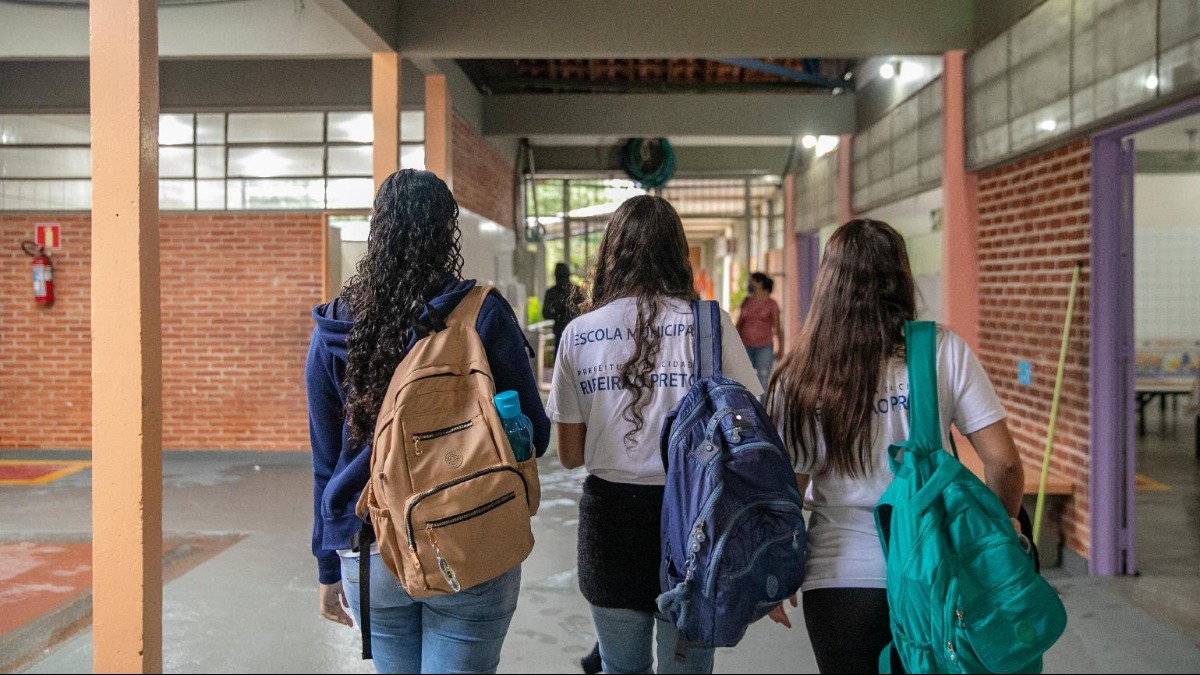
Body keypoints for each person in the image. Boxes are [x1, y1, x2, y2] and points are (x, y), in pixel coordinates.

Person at [307, 169, 550, 674]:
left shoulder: (335, 325)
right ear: (447, 232)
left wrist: (328, 563)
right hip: (468, 532)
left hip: (368, 544)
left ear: (377, 230)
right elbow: (536, 435)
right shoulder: (481, 315)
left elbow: (326, 461)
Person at [764, 219, 1024, 674]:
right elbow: (1003, 462)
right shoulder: (942, 350)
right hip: (934, 573)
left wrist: (774, 571)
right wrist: (1000, 534)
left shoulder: (797, 373)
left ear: (827, 284)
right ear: (901, 276)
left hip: (838, 577)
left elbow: (786, 492)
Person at [546, 195, 762, 675]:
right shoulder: (710, 326)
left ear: (611, 254)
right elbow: (748, 429)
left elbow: (570, 454)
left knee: (621, 668)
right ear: (677, 253)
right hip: (696, 522)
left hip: (610, 525)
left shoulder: (579, 333)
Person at [735, 271, 784, 395]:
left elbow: (778, 328)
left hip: (764, 347)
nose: (749, 284)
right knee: (744, 379)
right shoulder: (746, 302)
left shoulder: (771, 304)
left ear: (760, 283)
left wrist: (780, 348)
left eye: (752, 281)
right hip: (746, 346)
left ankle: (762, 405)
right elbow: (739, 324)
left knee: (763, 378)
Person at [543, 262, 583, 359]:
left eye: (563, 276)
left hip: (575, 332)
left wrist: (570, 311)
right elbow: (545, 313)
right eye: (560, 276)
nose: (561, 279)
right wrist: (558, 312)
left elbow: (584, 311)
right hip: (561, 331)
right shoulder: (552, 292)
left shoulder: (576, 290)